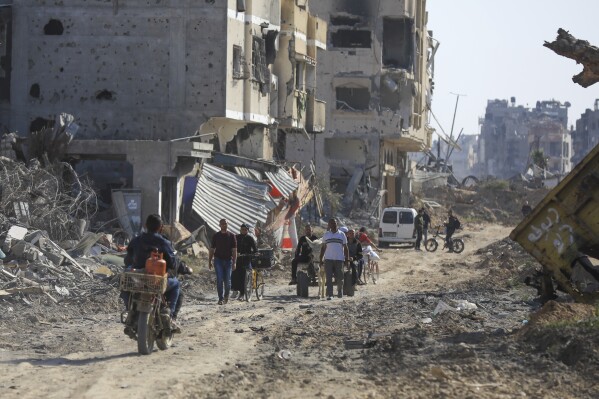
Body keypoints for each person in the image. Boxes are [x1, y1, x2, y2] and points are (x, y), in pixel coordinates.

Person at [123, 214, 181, 332]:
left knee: (125, 285)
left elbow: (127, 259)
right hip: (157, 281)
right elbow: (173, 264)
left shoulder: (136, 240)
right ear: (160, 227)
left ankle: (130, 310)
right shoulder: (164, 243)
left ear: (145, 226)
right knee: (176, 284)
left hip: (137, 280)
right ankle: (170, 316)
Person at [208, 219, 237, 305]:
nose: (224, 225)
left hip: (228, 260)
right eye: (223, 224)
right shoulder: (216, 236)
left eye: (226, 224)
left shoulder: (232, 236)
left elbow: (234, 250)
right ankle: (220, 298)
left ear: (228, 225)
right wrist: (209, 261)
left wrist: (234, 262)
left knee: (227, 281)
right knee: (219, 279)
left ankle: (226, 296)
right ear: (219, 225)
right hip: (218, 260)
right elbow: (212, 249)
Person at [319, 218, 349, 300]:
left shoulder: (342, 234)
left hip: (339, 259)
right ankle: (330, 295)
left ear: (337, 224)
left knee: (340, 277)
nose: (333, 225)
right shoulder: (326, 235)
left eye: (334, 223)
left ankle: (340, 292)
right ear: (329, 225)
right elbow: (323, 248)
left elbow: (346, 248)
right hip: (328, 259)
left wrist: (347, 260)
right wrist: (320, 259)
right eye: (331, 223)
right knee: (329, 278)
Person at [232, 223, 257, 301]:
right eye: (242, 229)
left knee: (244, 275)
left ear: (247, 230)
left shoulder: (250, 238)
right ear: (240, 230)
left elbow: (255, 250)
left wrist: (249, 254)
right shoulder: (236, 237)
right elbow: (232, 247)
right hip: (237, 259)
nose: (243, 231)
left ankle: (242, 294)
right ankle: (235, 290)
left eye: (245, 230)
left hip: (246, 260)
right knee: (234, 274)